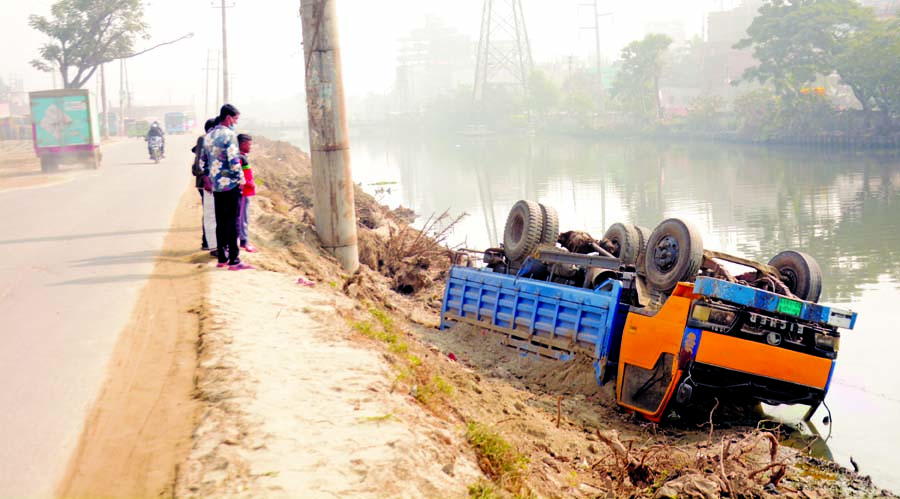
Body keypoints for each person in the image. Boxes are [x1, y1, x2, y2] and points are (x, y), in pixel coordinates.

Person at [200, 104, 252, 270]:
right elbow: (234, 161)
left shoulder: (208, 136)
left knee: (221, 222)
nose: (235, 122)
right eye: (235, 119)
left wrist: (210, 178)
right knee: (233, 222)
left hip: (216, 186)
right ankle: (234, 260)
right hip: (230, 185)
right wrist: (241, 180)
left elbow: (203, 162)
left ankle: (222, 257)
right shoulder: (229, 135)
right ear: (228, 117)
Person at [192, 119, 217, 251]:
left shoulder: (207, 139)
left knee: (210, 212)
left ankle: (208, 240)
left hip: (207, 181)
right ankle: (207, 241)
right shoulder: (204, 139)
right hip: (205, 182)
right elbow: (200, 162)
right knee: (209, 212)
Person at [236, 133, 258, 253]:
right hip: (244, 192)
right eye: (249, 145)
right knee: (242, 217)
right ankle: (243, 242)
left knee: (244, 217)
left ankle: (244, 240)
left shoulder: (243, 156)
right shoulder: (240, 157)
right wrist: (249, 184)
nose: (250, 147)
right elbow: (240, 175)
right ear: (243, 144)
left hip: (247, 191)